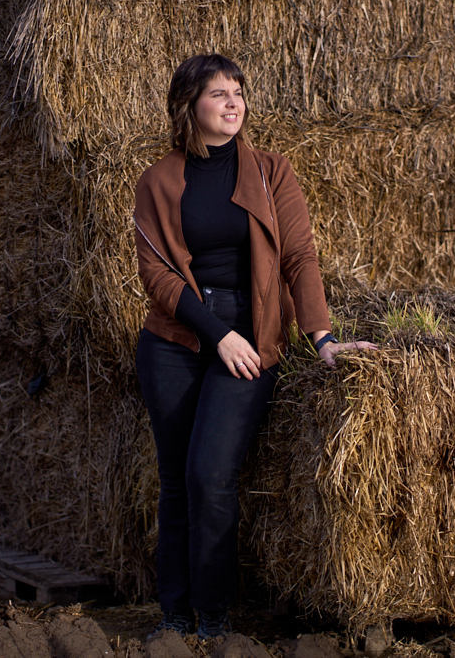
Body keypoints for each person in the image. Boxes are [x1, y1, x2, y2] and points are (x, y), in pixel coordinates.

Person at [132, 53, 378, 640]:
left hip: (254, 331)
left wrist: (323, 338)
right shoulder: (159, 180)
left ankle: (213, 621)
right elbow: (159, 278)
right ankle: (174, 617)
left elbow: (299, 258)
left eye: (238, 92)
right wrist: (217, 335)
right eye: (218, 94)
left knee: (210, 474)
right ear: (188, 105)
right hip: (178, 339)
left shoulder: (272, 172)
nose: (233, 103)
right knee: (174, 480)